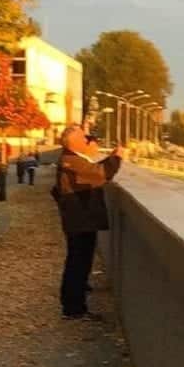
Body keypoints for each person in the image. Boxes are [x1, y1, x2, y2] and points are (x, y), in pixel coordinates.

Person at [52, 126, 122, 320]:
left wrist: (97, 157)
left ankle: (74, 303)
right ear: (74, 142)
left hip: (80, 219)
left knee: (79, 261)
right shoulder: (71, 161)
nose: (88, 141)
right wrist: (117, 157)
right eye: (84, 138)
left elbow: (93, 171)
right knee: (78, 262)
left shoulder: (72, 159)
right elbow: (100, 174)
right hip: (79, 219)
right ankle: (74, 308)